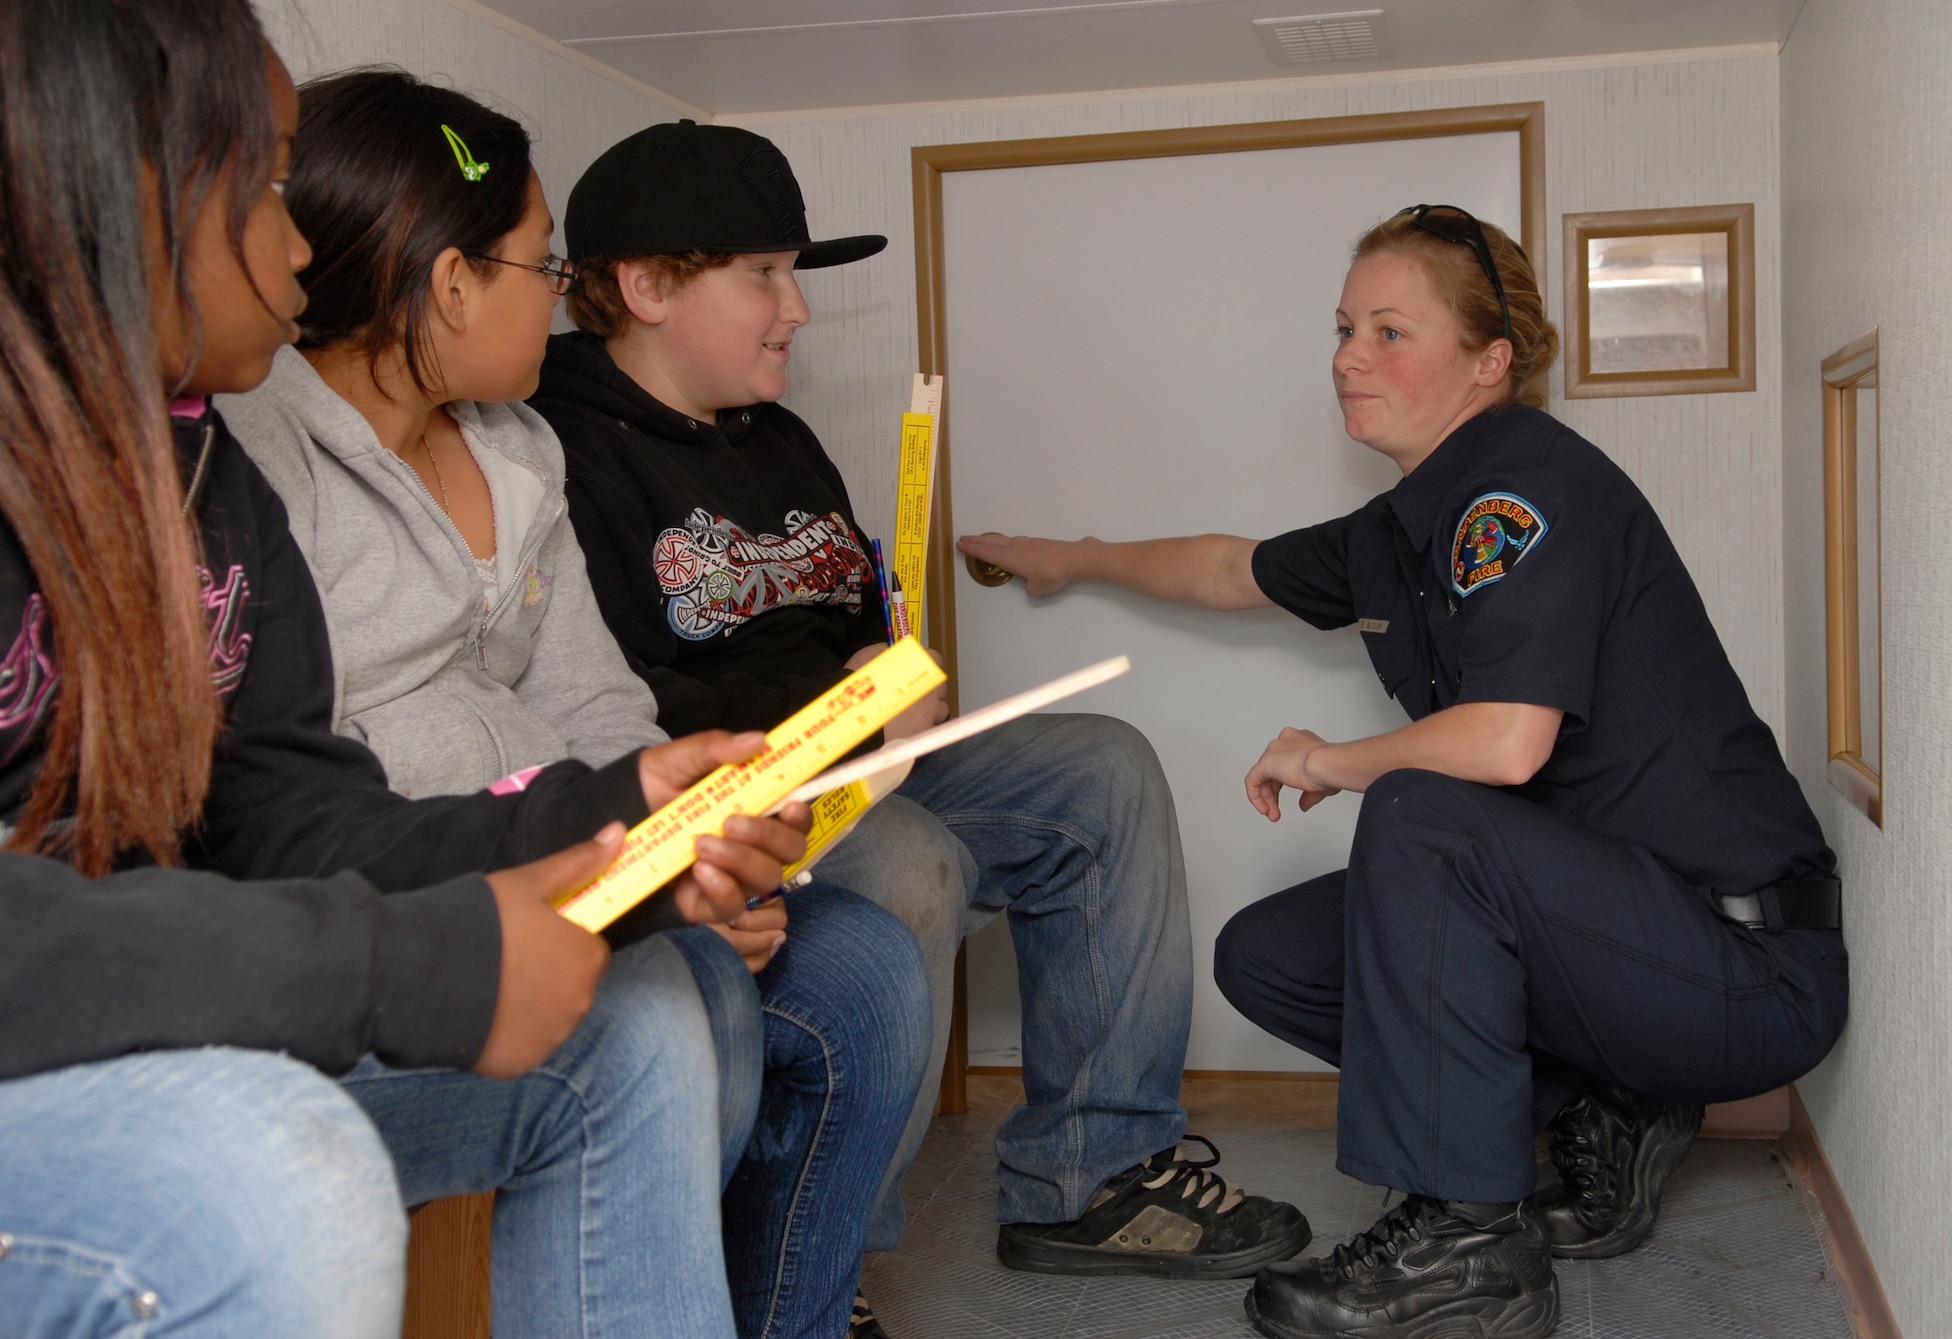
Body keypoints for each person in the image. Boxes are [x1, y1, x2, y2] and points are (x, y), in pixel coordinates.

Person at [0, 4, 808, 1336]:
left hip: (163, 1010)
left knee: (637, 1018)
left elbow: (286, 813)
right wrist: (395, 960)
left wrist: (612, 811)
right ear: (117, 175)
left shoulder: (197, 471)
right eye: (265, 180)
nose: (303, 240)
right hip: (82, 1062)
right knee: (271, 1178)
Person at [956, 204, 1849, 1339]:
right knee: (1270, 956)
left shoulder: (1523, 489)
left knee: (1422, 817)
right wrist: (1065, 559)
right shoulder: (1397, 528)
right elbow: (1230, 570)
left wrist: (1331, 760)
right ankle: (1604, 1105)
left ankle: (1468, 1242)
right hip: (1624, 941)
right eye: (1341, 329)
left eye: (1387, 332)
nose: (1344, 358)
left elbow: (1505, 739)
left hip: (1743, 965)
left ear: (1488, 362)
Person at [527, 120, 1312, 1285]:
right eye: (764, 275)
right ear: (644, 285)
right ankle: (818, 1269)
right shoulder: (555, 449)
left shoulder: (778, 437)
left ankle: (1088, 1179)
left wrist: (899, 675)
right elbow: (612, 701)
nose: (795, 309)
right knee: (910, 865)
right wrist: (828, 714)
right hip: (736, 801)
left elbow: (853, 614)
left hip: (865, 761)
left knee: (1100, 764)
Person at [214, 68, 929, 1339]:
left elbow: (592, 691)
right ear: (447, 284)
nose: (560, 302)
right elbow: (308, 780)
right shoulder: (257, 458)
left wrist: (693, 844)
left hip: (591, 841)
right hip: (449, 882)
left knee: (863, 964)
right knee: (677, 998)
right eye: (541, 270)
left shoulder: (518, 447)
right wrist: (617, 860)